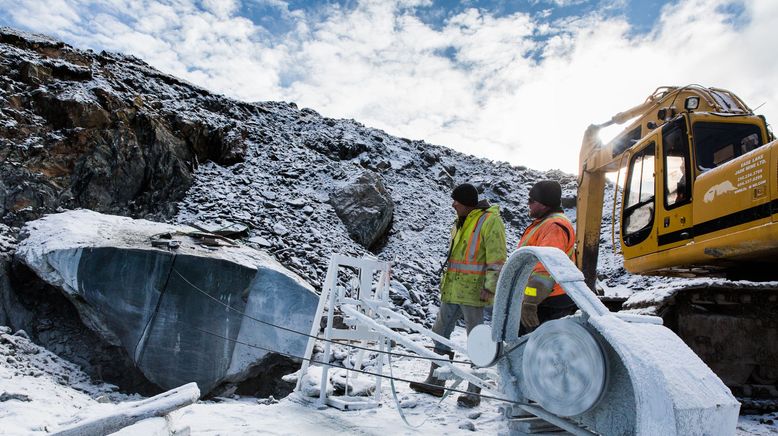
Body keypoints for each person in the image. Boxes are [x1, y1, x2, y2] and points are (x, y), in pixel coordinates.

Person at [409, 183, 506, 408]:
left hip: (474, 292)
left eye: (456, 201)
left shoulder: (489, 221)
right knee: (439, 333)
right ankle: (436, 381)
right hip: (452, 289)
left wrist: (490, 287)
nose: (453, 204)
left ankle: (473, 392)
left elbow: (497, 257)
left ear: (466, 203)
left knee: (477, 341)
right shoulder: (459, 222)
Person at [518, 180, 577, 335]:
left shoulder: (553, 226)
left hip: (547, 302)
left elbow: (544, 271)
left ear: (544, 204)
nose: (528, 204)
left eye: (531, 200)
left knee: (539, 351)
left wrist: (530, 301)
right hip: (544, 300)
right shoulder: (543, 224)